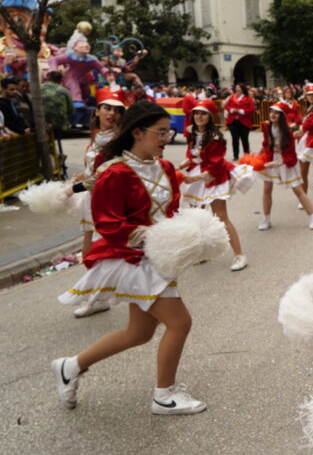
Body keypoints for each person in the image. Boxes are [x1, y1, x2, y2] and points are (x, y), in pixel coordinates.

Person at [51, 101, 206, 415]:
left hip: (160, 257)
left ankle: (70, 367)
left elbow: (171, 210)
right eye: (160, 132)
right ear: (138, 131)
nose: (166, 138)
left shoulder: (164, 168)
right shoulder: (115, 172)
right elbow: (107, 223)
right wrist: (147, 236)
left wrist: (184, 233)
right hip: (132, 258)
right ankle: (164, 396)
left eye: (169, 132)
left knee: (139, 333)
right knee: (179, 323)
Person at [68, 88, 125, 318]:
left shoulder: (119, 139)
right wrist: (80, 177)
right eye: (107, 108)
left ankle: (99, 296)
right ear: (98, 110)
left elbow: (106, 175)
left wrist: (71, 189)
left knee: (104, 247)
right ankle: (98, 296)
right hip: (93, 197)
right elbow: (91, 171)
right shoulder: (95, 137)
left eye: (117, 110)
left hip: (109, 198)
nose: (112, 113)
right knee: (89, 243)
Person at [179, 100, 251, 272]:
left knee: (221, 217)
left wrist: (196, 177)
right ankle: (203, 253)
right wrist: (183, 164)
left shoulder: (216, 137)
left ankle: (240, 255)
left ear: (210, 117)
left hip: (212, 178)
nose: (199, 116)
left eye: (203, 113)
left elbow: (215, 167)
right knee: (197, 217)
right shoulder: (192, 133)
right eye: (196, 113)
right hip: (197, 176)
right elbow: (192, 155)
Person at [256, 103, 313, 230]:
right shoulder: (266, 126)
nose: (273, 114)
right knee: (267, 188)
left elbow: (291, 154)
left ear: (283, 116)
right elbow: (266, 142)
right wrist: (259, 154)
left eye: (277, 112)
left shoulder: (289, 132)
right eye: (271, 111)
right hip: (270, 158)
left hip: (286, 161)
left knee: (298, 190)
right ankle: (266, 219)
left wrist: (279, 162)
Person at [224, 84, 255, 160]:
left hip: (244, 122)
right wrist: (231, 109)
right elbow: (226, 106)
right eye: (236, 88)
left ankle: (247, 156)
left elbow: (252, 109)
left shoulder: (248, 99)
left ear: (242, 89)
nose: (237, 90)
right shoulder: (232, 97)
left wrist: (242, 111)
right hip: (233, 121)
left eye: (239, 88)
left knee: (244, 139)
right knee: (235, 139)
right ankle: (235, 156)